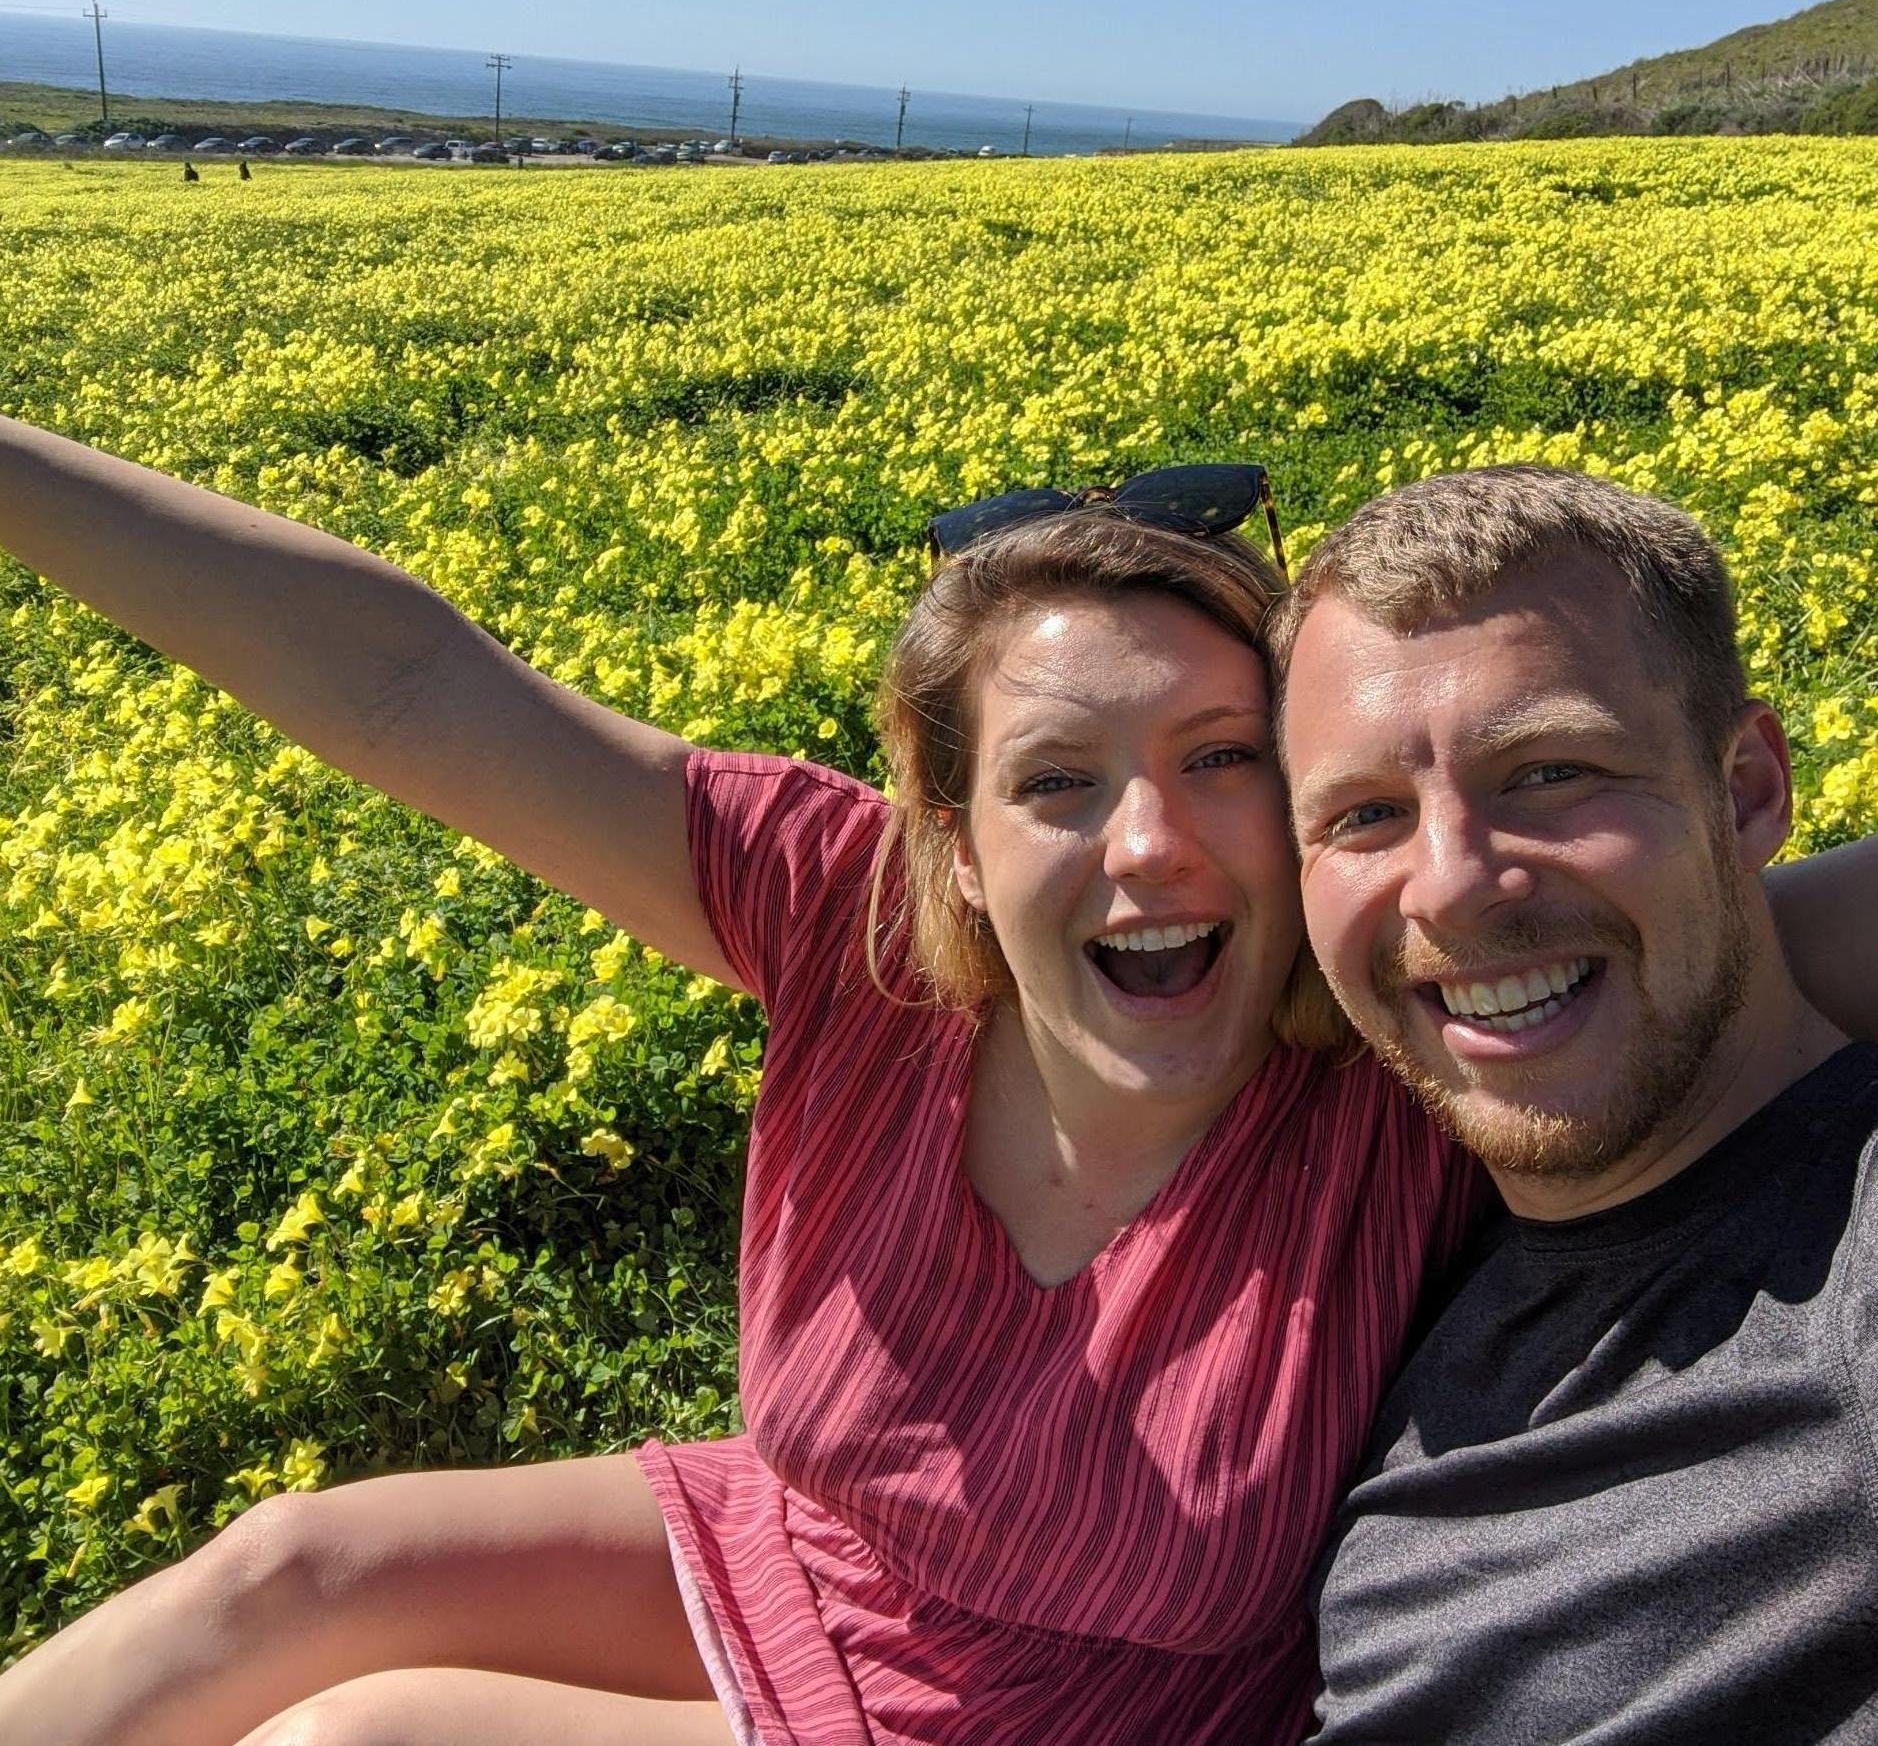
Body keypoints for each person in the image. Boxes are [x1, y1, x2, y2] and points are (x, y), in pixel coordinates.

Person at [0, 423, 1868, 1746]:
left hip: (1052, 1708)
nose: (1148, 845)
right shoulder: (856, 923)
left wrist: (1649, 824)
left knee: (360, 1738)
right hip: (821, 1547)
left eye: (1222, 758)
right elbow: (411, 684)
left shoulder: (1392, 1006)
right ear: (954, 836)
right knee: (288, 1566)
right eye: (1058, 779)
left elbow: (1715, 928)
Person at [1267, 465, 1878, 1743]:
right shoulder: (1375, 1230)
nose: (1448, 887)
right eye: (1364, 815)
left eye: (1548, 773)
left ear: (1749, 789)